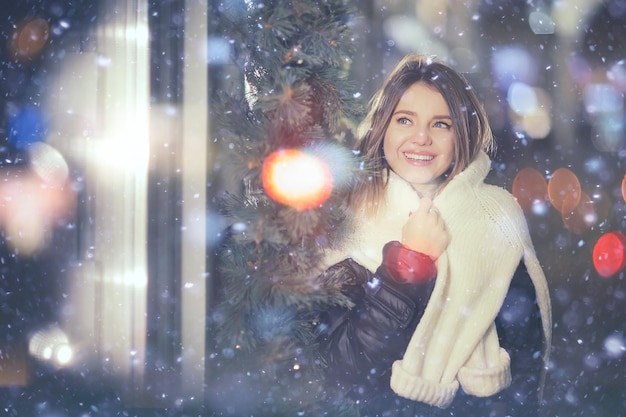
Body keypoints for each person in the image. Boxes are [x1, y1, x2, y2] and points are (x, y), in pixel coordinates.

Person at [315, 53, 552, 416]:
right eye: (405, 120)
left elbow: (524, 362)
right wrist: (409, 265)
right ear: (383, 128)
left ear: (463, 134)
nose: (421, 138)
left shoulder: (497, 216)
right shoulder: (345, 214)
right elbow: (339, 368)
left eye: (441, 124)